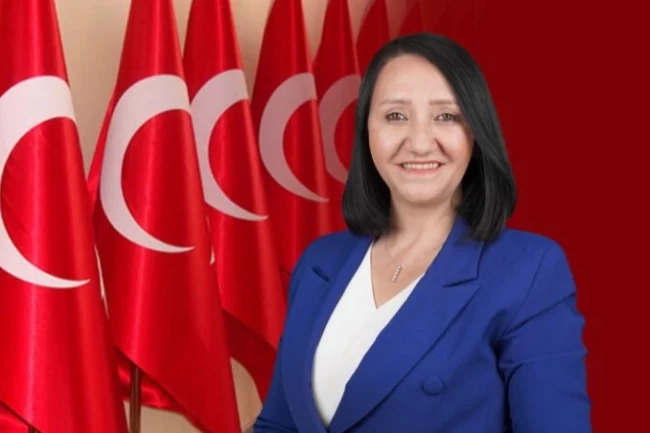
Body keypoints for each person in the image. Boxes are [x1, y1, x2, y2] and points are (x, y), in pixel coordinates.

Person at [253, 33, 592, 433]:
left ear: (475, 133)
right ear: (367, 131)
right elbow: (278, 424)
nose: (418, 142)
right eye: (395, 116)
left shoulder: (529, 270)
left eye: (446, 116)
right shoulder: (320, 261)